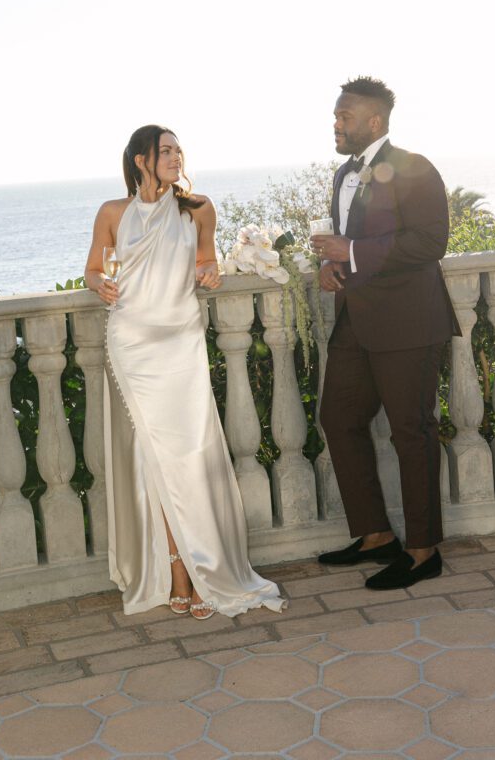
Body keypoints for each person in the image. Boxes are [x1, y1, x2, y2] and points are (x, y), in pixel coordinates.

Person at [85, 124, 285, 619]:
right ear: (140, 160)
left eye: (178, 150)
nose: (176, 157)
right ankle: (177, 572)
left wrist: (211, 271)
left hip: (181, 344)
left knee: (190, 456)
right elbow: (93, 268)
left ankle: (205, 569)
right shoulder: (113, 213)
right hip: (132, 344)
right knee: (153, 458)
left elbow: (206, 261)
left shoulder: (198, 209)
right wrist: (99, 286)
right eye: (165, 151)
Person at [311, 77, 460, 590]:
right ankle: (376, 535)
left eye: (344, 116)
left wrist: (349, 253)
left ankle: (423, 551)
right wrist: (332, 268)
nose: (336, 123)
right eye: (335, 115)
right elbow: (346, 244)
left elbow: (430, 240)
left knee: (411, 432)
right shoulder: (341, 175)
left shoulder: (416, 167)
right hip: (356, 321)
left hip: (409, 322)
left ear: (374, 121)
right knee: (338, 417)